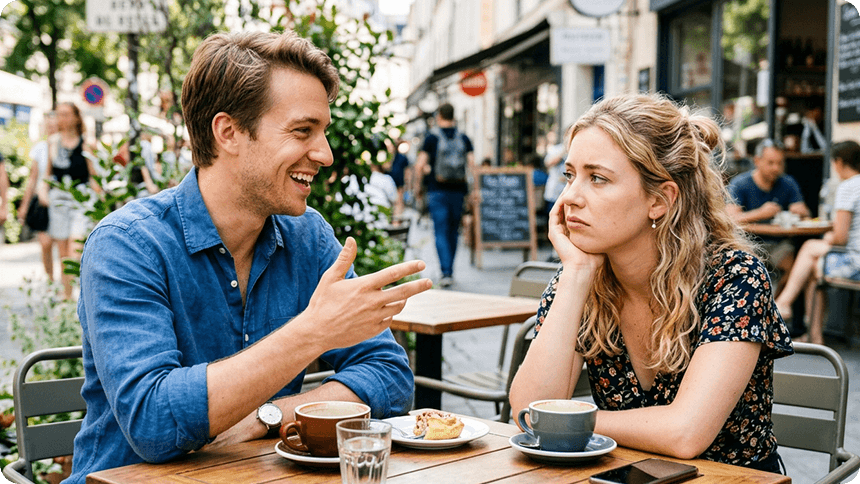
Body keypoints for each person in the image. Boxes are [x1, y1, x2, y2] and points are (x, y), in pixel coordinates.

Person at [64, 30, 432, 484]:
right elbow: (154, 422)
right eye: (303, 130)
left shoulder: (307, 236)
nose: (325, 154)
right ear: (229, 132)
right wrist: (313, 332)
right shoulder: (127, 244)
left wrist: (269, 415)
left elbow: (390, 376)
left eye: (323, 132)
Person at [509, 93, 793, 473]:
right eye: (570, 175)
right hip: (630, 477)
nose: (569, 197)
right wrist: (576, 274)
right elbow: (529, 408)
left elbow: (685, 433)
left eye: (597, 178)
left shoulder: (734, 277)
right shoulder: (584, 275)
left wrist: (568, 424)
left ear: (659, 200)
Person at [774, 140, 860, 344]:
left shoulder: (848, 187)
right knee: (813, 267)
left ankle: (783, 303)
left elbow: (840, 237)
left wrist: (829, 237)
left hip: (855, 264)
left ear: (838, 162)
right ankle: (814, 336)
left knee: (810, 247)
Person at [726, 139, 811, 295]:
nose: (776, 168)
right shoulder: (740, 184)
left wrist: (801, 211)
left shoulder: (787, 183)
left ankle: (774, 307)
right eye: (770, 163)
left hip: (778, 242)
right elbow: (730, 219)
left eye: (779, 163)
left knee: (795, 267)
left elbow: (806, 214)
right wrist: (761, 213)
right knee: (752, 269)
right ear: (757, 161)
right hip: (748, 241)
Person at [37, 102, 102, 300]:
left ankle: (83, 293)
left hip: (81, 202)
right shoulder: (52, 142)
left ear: (76, 117)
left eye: (66, 114)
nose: (61, 118)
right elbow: (46, 175)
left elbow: (93, 176)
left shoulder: (86, 144)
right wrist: (43, 195)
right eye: (59, 114)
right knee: (64, 255)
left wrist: (100, 200)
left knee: (76, 250)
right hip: (58, 202)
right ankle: (67, 297)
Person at [414, 102, 475, 288]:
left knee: (440, 230)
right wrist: (474, 191)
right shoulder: (464, 138)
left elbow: (419, 166)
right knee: (453, 231)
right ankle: (450, 270)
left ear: (439, 115)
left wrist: (417, 188)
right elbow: (472, 166)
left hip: (437, 190)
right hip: (458, 191)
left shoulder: (431, 138)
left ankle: (445, 271)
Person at [18, 112, 58, 281]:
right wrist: (24, 206)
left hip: (62, 201)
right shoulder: (39, 148)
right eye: (47, 125)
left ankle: (65, 285)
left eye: (53, 125)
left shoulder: (64, 147)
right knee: (45, 243)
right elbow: (33, 178)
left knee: (64, 245)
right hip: (42, 202)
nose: (50, 129)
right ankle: (50, 280)